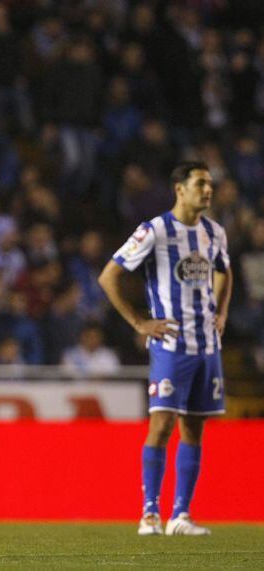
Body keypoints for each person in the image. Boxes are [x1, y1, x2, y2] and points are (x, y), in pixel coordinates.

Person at [98, 161, 232, 536]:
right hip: (171, 343)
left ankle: (181, 515)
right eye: (200, 183)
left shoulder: (214, 232)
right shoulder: (155, 231)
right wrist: (140, 322)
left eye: (210, 184)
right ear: (180, 189)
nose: (208, 190)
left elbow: (225, 269)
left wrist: (220, 311)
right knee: (162, 424)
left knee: (194, 428)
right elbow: (109, 275)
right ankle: (150, 513)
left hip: (207, 344)